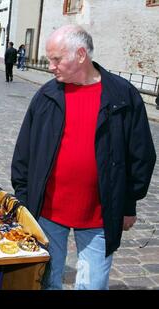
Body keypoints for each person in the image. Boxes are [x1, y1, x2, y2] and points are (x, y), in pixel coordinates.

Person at [11, 25, 156, 290]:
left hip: (100, 216)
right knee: (47, 281)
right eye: (49, 59)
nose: (50, 66)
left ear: (80, 55)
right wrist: (25, 200)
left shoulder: (123, 96)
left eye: (56, 59)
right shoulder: (46, 95)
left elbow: (142, 155)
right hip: (48, 212)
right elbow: (24, 153)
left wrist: (128, 204)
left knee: (92, 285)